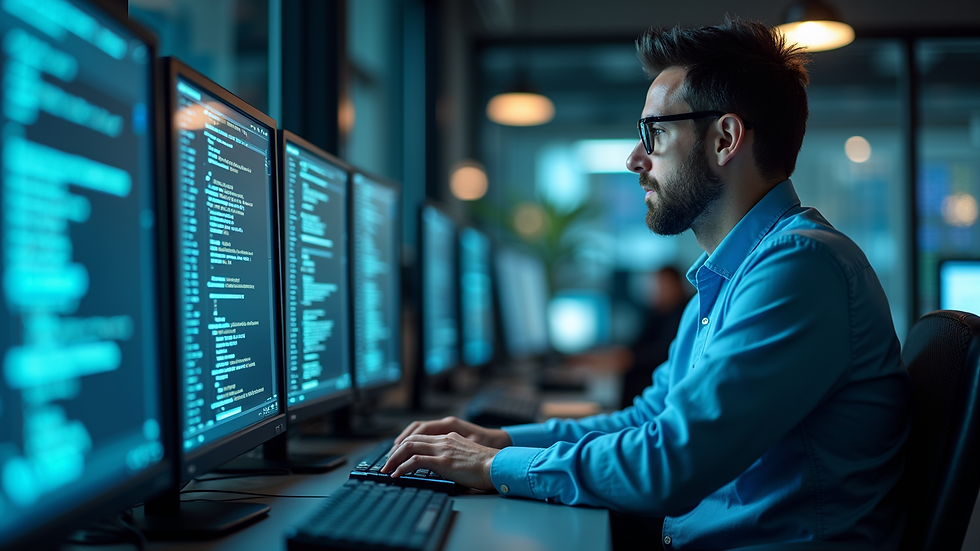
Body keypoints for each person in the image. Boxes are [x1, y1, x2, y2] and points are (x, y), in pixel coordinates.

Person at [382, 18, 911, 550]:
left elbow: (669, 463)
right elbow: (650, 420)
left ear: (725, 138)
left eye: (654, 134)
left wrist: (494, 465)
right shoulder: (727, 277)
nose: (635, 158)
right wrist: (502, 440)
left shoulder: (800, 267)